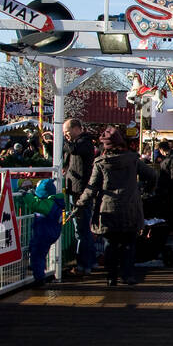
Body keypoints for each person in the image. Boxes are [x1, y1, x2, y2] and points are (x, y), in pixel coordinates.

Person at [76, 126, 157, 287]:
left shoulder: (101, 162)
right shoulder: (133, 160)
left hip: (108, 208)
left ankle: (111, 276)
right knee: (129, 243)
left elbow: (92, 187)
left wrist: (80, 204)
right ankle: (128, 275)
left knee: (110, 245)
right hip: (131, 207)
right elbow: (152, 175)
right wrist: (145, 190)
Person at [62, 118, 98, 277]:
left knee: (81, 229)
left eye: (67, 133)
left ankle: (84, 264)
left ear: (77, 129)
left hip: (80, 191)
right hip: (75, 189)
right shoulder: (79, 143)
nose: (66, 136)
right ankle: (89, 261)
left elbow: (73, 149)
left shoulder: (84, 143)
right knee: (82, 229)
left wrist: (62, 140)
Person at [19, 178, 66, 287]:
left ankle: (39, 279)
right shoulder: (55, 201)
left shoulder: (47, 205)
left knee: (38, 255)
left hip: (44, 234)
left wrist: (26, 195)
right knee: (39, 251)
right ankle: (37, 267)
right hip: (50, 233)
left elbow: (34, 205)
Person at [153, 140, 173, 235]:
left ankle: (170, 228)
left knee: (169, 209)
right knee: (167, 209)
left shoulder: (170, 158)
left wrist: (169, 187)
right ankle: (168, 228)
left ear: (161, 149)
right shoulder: (169, 158)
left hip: (168, 188)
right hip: (166, 187)